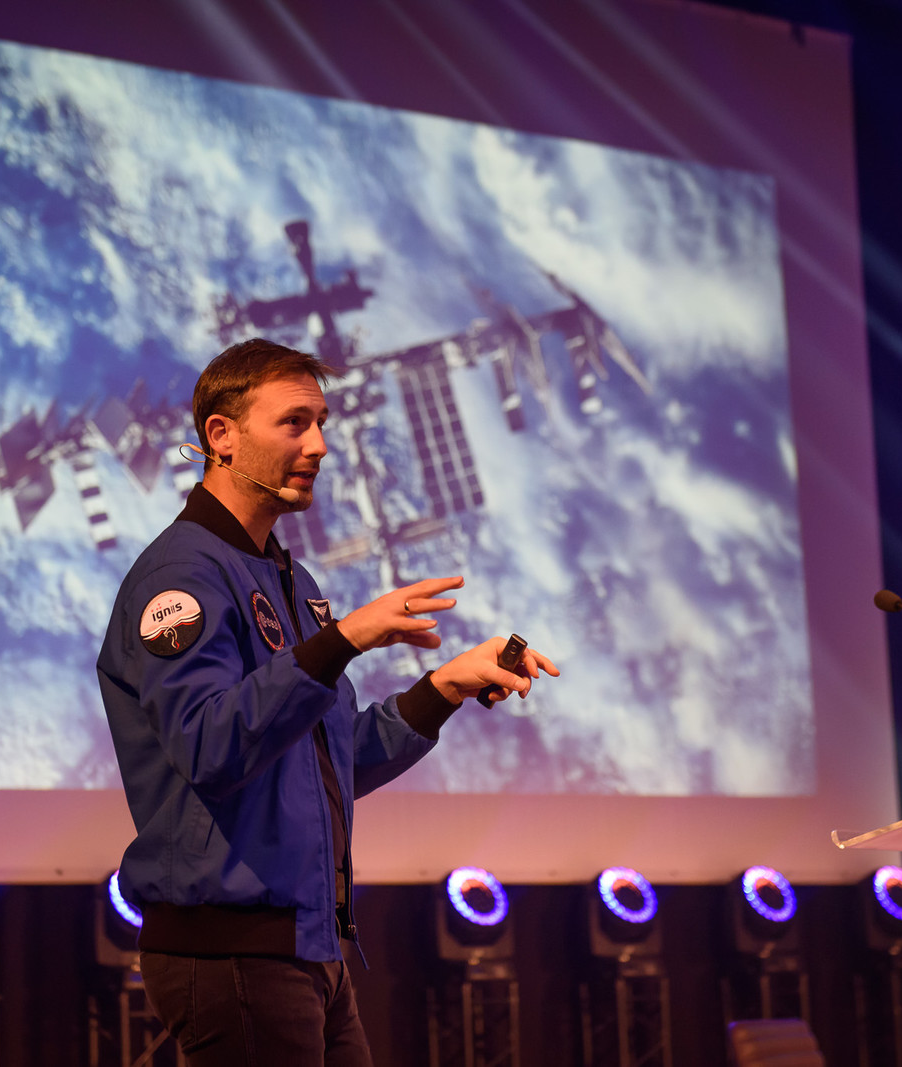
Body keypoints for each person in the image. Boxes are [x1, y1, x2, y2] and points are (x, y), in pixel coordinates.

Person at [97, 337, 558, 1066]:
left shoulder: (288, 577)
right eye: (294, 422)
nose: (318, 444)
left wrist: (444, 688)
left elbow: (326, 763)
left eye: (321, 423)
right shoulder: (180, 577)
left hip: (308, 947)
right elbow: (209, 747)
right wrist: (343, 638)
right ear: (221, 435)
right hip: (233, 952)